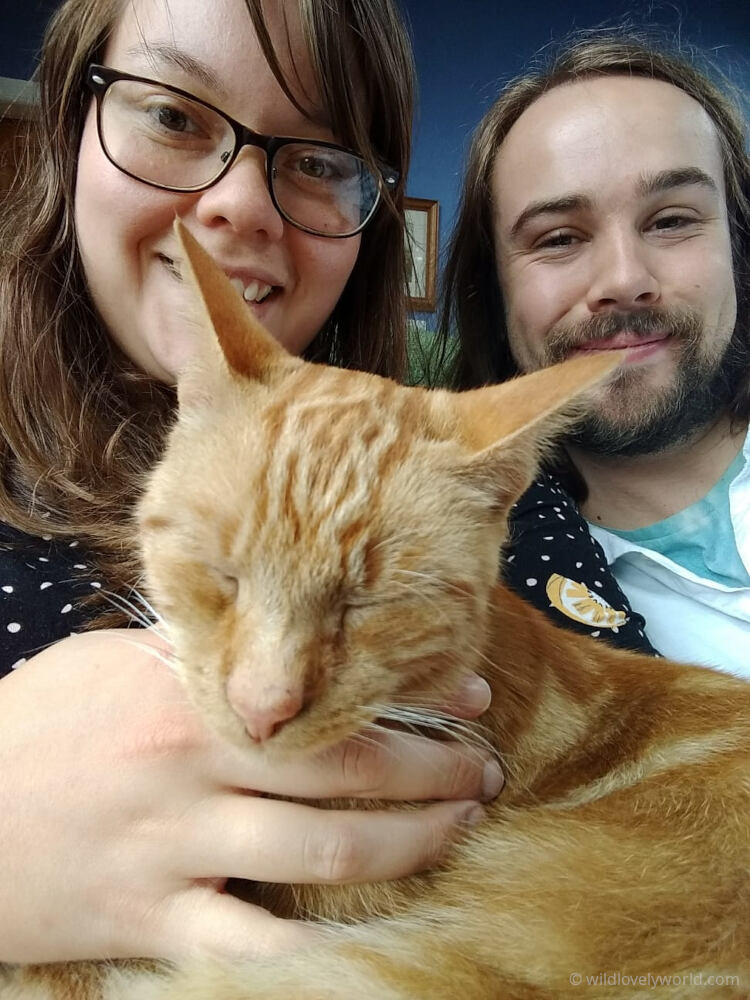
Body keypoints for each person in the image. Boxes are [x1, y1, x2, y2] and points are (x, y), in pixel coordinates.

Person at [0, 0, 509, 967]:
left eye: (318, 161)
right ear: (71, 127)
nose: (238, 205)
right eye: (175, 116)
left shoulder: (472, 479)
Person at [439, 31, 750, 678]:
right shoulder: (461, 605)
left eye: (671, 220)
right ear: (495, 292)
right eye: (558, 237)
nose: (621, 279)